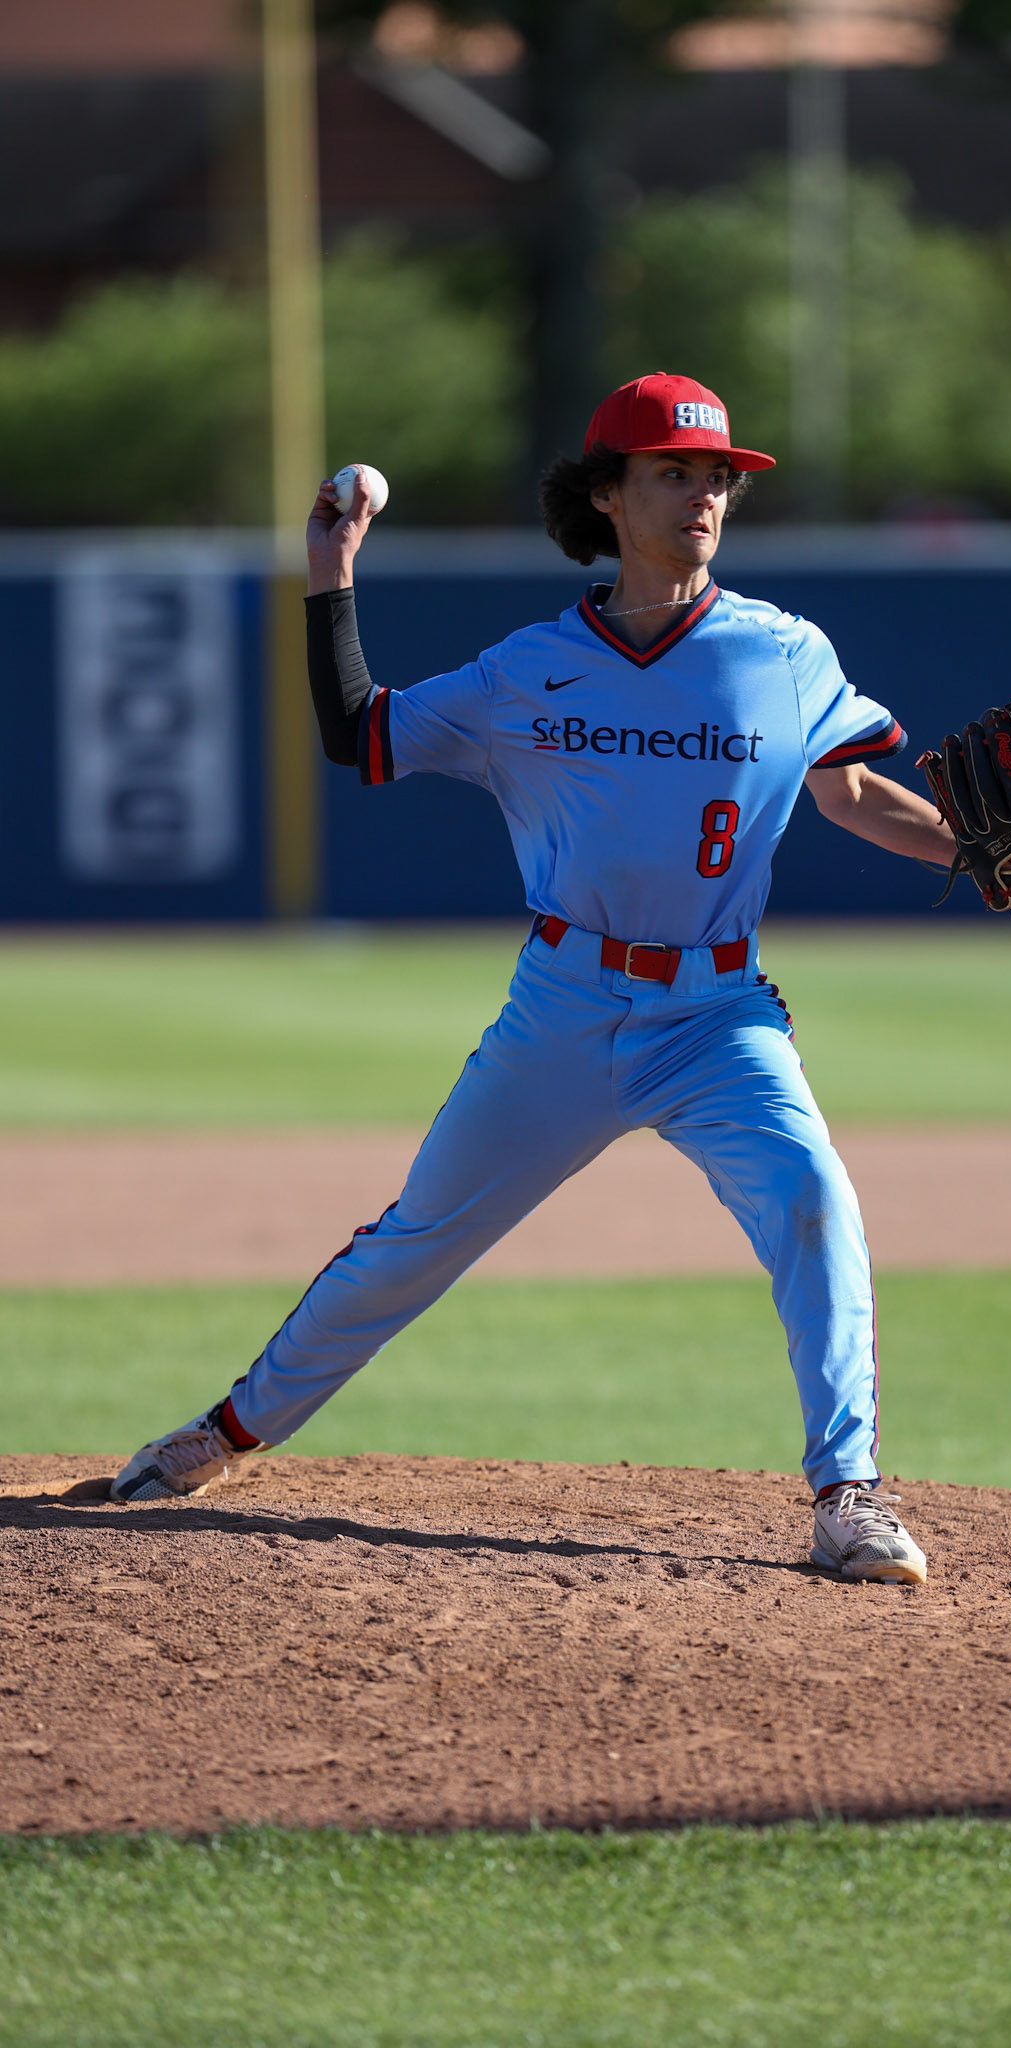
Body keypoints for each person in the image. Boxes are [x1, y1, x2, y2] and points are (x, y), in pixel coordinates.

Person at [111, 372, 965, 1586]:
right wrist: (329, 567)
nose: (707, 494)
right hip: (561, 1009)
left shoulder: (784, 652)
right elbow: (359, 731)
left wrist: (968, 848)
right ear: (609, 495)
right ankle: (224, 1433)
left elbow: (852, 790)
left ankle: (850, 1496)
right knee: (415, 1241)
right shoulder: (528, 670)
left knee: (816, 1201)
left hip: (717, 1013)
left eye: (720, 475)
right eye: (676, 471)